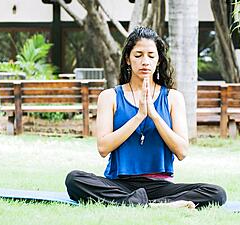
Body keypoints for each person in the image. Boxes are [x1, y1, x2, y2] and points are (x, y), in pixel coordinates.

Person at [65, 27, 226, 209]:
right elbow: (103, 148)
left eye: (151, 55)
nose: (145, 62)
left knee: (216, 193)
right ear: (128, 59)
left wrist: (154, 115)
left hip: (160, 186)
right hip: (119, 184)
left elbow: (182, 151)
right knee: (74, 179)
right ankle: (153, 205)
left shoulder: (173, 98)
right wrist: (139, 116)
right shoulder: (109, 97)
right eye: (138, 55)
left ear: (158, 60)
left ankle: (143, 204)